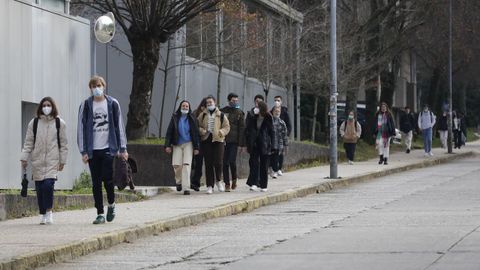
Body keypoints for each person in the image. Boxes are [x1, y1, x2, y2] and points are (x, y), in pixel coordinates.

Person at [77, 75, 128, 224]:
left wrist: (123, 148)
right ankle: (99, 213)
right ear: (90, 88)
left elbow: (120, 127)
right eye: (93, 86)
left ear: (103, 86)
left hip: (109, 148)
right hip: (93, 150)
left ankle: (111, 204)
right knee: (96, 183)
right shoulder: (85, 105)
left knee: (107, 179)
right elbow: (81, 128)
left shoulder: (112, 103)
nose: (96, 88)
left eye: (99, 85)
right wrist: (84, 151)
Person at [21, 97, 68, 225]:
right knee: (40, 188)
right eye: (44, 105)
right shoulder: (34, 123)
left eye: (48, 105)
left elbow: (63, 144)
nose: (46, 107)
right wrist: (24, 157)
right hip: (37, 160)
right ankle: (42, 214)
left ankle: (49, 212)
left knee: (48, 185)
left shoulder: (59, 123)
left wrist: (62, 161)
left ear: (53, 107)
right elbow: (28, 142)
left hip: (53, 160)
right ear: (40, 107)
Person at [165, 100, 200, 195]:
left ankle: (186, 188)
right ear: (180, 107)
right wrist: (167, 145)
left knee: (186, 165)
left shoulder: (192, 118)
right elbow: (169, 132)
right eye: (183, 106)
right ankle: (179, 182)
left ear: (189, 108)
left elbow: (196, 134)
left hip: (189, 143)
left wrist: (196, 147)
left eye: (187, 106)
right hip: (177, 143)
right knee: (176, 165)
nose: (185, 108)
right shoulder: (175, 117)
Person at [197, 96, 230, 194]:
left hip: (218, 140)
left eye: (211, 102)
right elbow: (197, 125)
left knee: (219, 162)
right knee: (208, 163)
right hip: (206, 140)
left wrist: (221, 132)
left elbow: (227, 127)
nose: (209, 104)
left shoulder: (221, 115)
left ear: (215, 102)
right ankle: (209, 185)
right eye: (207, 103)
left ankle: (218, 180)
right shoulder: (202, 115)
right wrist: (202, 131)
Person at [245, 101, 274, 192]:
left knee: (264, 165)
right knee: (254, 164)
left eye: (258, 106)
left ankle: (263, 185)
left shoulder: (268, 117)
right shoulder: (253, 116)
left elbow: (271, 132)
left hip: (264, 144)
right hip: (254, 143)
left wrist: (272, 145)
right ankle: (254, 183)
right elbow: (248, 129)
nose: (256, 108)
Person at [221, 93, 245, 192]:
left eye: (236, 100)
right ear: (229, 100)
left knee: (231, 161)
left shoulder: (239, 113)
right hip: (223, 140)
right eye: (233, 101)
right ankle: (227, 183)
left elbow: (242, 129)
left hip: (234, 142)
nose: (235, 102)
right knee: (224, 162)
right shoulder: (223, 111)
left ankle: (234, 179)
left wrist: (241, 144)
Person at [246, 94, 265, 190]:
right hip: (253, 142)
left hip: (263, 142)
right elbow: (247, 127)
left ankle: (258, 181)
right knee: (253, 162)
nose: (258, 103)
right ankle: (253, 182)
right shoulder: (250, 113)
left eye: (260, 102)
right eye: (257, 101)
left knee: (261, 163)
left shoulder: (266, 114)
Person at [271, 95, 291, 176]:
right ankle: (274, 169)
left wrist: (286, 136)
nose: (277, 102)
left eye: (278, 100)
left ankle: (279, 168)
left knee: (280, 154)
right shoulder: (271, 112)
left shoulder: (284, 113)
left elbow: (288, 125)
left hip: (280, 139)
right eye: (275, 100)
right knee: (274, 155)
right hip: (273, 140)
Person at [190, 98, 207, 191]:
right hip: (197, 141)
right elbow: (193, 126)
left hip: (207, 141)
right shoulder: (196, 113)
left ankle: (207, 183)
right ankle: (195, 182)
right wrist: (200, 130)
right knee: (197, 163)